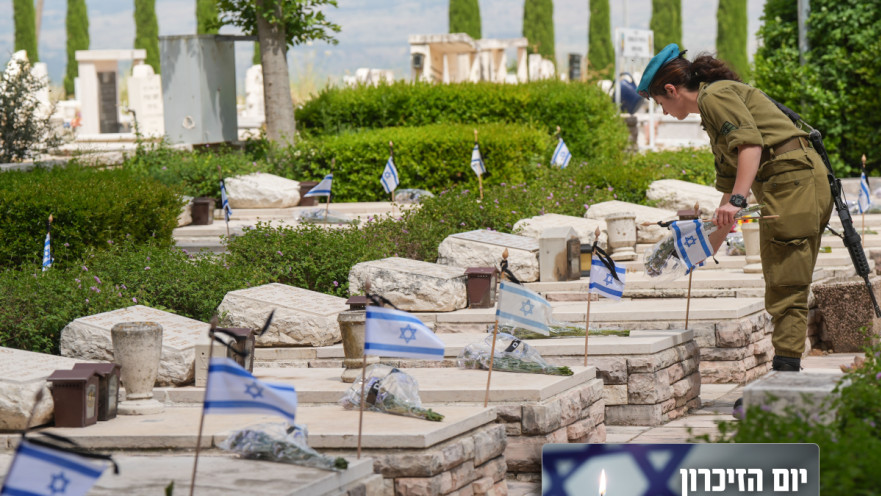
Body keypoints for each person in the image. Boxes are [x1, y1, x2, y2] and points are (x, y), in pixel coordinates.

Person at [636, 44, 834, 400]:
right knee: (783, 277)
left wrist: (739, 202)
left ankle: (784, 382)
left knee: (786, 281)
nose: (663, 111)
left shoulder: (715, 97)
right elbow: (729, 181)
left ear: (671, 90)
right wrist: (709, 241)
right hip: (792, 183)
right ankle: (785, 376)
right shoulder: (711, 106)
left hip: (794, 184)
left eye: (661, 103)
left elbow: (750, 147)